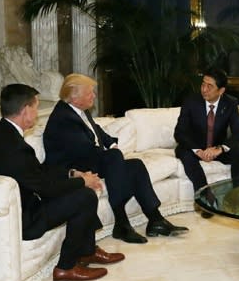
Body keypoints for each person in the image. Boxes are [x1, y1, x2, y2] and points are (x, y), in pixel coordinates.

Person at [0, 83, 124, 281]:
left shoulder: (0, 132)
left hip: (23, 202)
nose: (36, 114)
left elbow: (36, 171)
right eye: (35, 108)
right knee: (85, 196)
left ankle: (87, 251)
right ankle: (66, 267)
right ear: (26, 110)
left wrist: (71, 173)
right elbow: (46, 188)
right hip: (24, 218)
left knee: (79, 190)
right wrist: (82, 181)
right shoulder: (12, 147)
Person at [43, 74, 188, 243]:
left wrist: (111, 144)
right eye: (90, 92)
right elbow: (84, 150)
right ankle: (121, 222)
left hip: (87, 157)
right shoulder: (63, 118)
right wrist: (113, 155)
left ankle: (156, 219)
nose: (94, 96)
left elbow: (95, 129)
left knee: (136, 165)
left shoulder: (79, 110)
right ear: (75, 97)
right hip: (72, 168)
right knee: (114, 159)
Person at [174, 68, 239, 216]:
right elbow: (179, 132)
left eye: (210, 86)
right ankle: (205, 198)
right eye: (203, 84)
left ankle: (236, 196)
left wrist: (219, 149)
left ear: (221, 91)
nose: (204, 89)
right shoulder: (191, 101)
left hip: (216, 148)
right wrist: (198, 151)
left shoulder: (230, 103)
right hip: (193, 147)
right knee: (185, 154)